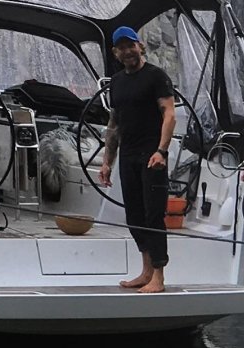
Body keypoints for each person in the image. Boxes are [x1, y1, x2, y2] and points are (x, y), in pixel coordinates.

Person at [98, 26, 176, 294]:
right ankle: (145, 272)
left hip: (152, 157)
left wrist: (162, 151)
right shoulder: (117, 82)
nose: (127, 51)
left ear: (140, 46)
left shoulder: (156, 77)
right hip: (128, 157)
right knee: (134, 216)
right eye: (121, 47)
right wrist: (107, 161)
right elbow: (114, 124)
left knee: (153, 216)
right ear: (115, 52)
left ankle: (159, 277)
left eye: (131, 45)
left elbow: (169, 114)